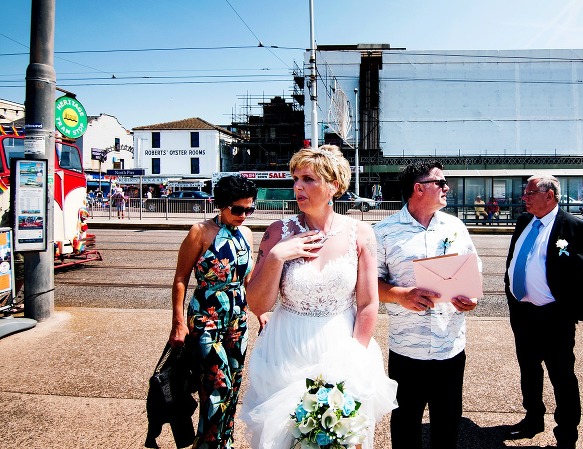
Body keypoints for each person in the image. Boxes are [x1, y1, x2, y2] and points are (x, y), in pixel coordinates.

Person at [241, 146, 396, 449]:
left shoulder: (360, 234)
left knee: (343, 437)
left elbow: (367, 303)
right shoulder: (277, 232)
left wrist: (354, 359)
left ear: (334, 186)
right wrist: (276, 257)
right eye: (296, 179)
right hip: (286, 350)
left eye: (309, 179)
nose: (298, 186)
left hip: (342, 346)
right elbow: (257, 304)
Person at [375, 159, 479, 449]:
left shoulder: (456, 227)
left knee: (447, 425)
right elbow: (369, 284)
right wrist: (400, 295)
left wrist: (471, 299)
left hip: (451, 347)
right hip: (407, 350)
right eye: (440, 182)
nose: (447, 187)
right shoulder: (383, 231)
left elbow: (475, 270)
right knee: (406, 425)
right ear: (418, 188)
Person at [505, 174, 583, 449]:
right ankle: (533, 418)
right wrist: (513, 295)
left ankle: (567, 434)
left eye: (530, 192)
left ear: (550, 196)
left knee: (562, 375)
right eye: (525, 192)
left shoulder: (575, 227)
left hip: (554, 317)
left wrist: (563, 310)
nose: (524, 196)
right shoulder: (524, 221)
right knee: (528, 369)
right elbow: (514, 259)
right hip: (523, 314)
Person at [170, 173, 255, 449]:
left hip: (237, 318)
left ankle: (224, 442)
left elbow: (246, 280)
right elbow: (181, 278)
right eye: (238, 209)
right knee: (218, 384)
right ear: (222, 204)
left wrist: (260, 311)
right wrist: (178, 322)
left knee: (234, 383)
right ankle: (207, 444)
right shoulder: (200, 231)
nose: (243, 215)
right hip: (206, 316)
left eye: (249, 209)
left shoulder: (247, 234)